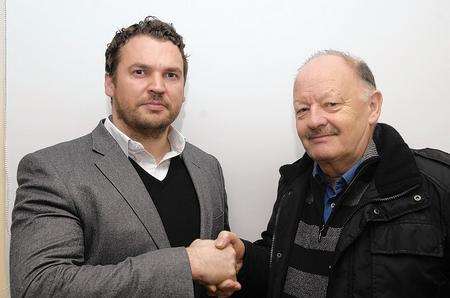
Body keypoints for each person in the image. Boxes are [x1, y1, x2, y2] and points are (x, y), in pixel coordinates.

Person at [10, 16, 240, 297]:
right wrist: (186, 264)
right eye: (140, 72)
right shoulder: (52, 170)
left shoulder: (207, 167)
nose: (158, 86)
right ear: (110, 83)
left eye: (171, 74)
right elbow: (39, 287)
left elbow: (215, 265)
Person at [214, 50, 450, 297]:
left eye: (331, 104)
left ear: (373, 106)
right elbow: (282, 266)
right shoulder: (293, 184)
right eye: (302, 109)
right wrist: (247, 259)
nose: (314, 120)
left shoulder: (435, 187)